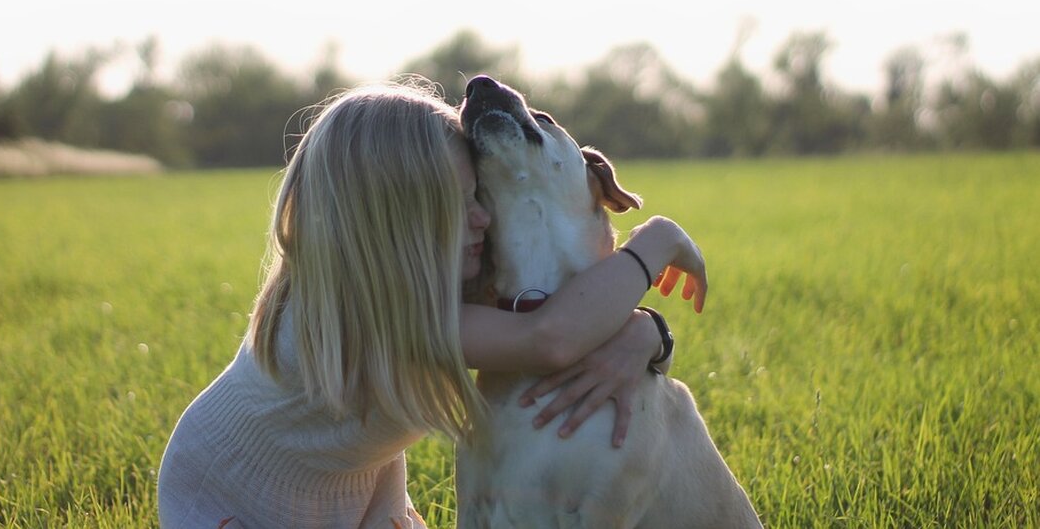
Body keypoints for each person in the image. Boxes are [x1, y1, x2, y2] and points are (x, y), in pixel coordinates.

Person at [157, 78, 707, 528]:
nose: (483, 218)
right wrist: (656, 241)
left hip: (349, 491)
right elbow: (550, 338)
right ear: (396, 223)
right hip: (235, 490)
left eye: (480, 195)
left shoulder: (424, 282)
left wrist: (647, 332)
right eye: (462, 202)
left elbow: (566, 315)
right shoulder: (373, 315)